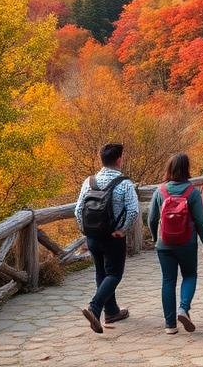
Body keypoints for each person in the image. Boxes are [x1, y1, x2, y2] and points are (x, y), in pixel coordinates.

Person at [75, 142, 140, 334]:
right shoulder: (125, 183)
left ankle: (111, 312)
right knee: (114, 274)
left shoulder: (89, 181)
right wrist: (123, 229)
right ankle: (94, 308)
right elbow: (134, 211)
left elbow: (78, 210)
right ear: (119, 159)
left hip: (93, 236)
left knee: (101, 273)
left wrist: (85, 231)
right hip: (113, 237)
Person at [147, 153, 203, 335]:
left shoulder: (160, 191)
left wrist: (154, 237)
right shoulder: (192, 193)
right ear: (186, 169)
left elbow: (151, 219)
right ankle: (183, 308)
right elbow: (199, 220)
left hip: (164, 244)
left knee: (168, 281)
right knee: (189, 275)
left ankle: (170, 325)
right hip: (187, 243)